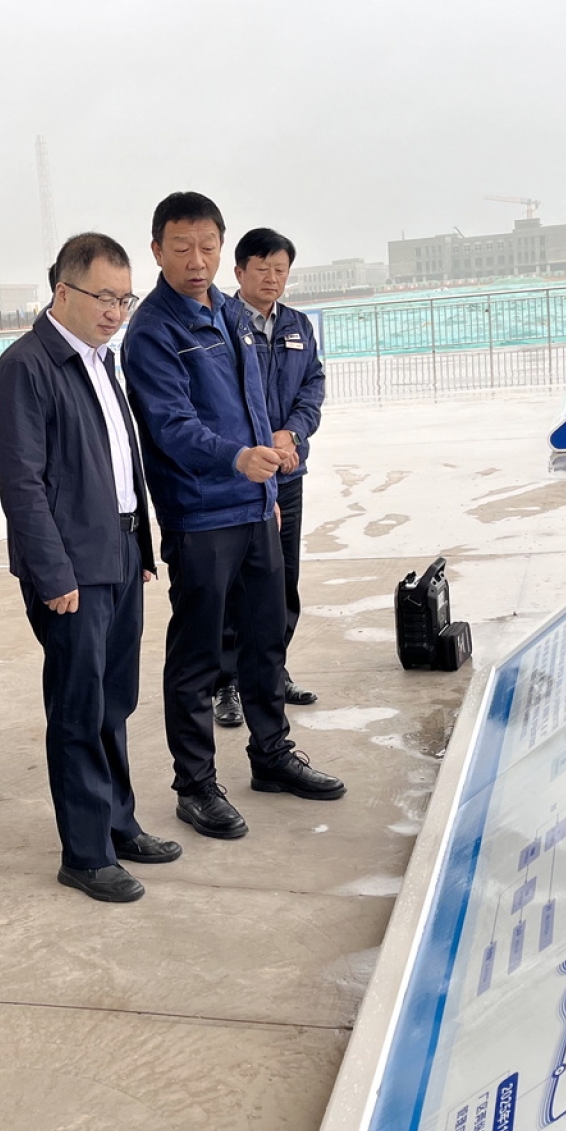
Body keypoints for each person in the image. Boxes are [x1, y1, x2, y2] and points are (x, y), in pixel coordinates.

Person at [121, 193, 345, 840]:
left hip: (254, 506)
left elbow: (256, 401)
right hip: (200, 515)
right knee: (197, 657)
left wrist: (268, 488)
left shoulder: (228, 312)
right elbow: (170, 426)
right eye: (182, 247)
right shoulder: (154, 331)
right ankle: (195, 785)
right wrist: (237, 458)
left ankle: (271, 755)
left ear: (222, 247)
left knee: (265, 637)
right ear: (157, 250)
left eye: (208, 247)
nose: (197, 261)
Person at [0, 233, 179, 902]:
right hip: (72, 569)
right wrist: (53, 574)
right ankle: (86, 852)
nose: (116, 312)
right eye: (104, 297)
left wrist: (140, 548)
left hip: (119, 555)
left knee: (114, 701)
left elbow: (121, 463)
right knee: (78, 709)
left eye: (125, 299)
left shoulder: (101, 360)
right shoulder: (26, 367)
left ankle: (119, 824)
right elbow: (22, 484)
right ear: (63, 291)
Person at [212, 228, 326, 724]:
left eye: (281, 270)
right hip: (241, 476)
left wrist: (292, 435)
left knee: (284, 576)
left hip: (288, 470)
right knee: (235, 582)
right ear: (239, 272)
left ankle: (273, 671)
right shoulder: (222, 324)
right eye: (262, 269)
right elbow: (223, 402)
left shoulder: (297, 324)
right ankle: (226, 682)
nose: (272, 278)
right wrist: (261, 444)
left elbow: (312, 386)